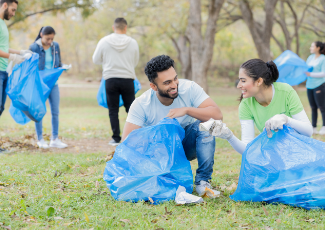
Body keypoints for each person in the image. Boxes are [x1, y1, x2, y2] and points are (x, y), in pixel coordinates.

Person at [121, 55, 223, 196]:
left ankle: (202, 182)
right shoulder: (141, 104)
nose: (174, 85)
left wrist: (187, 110)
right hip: (158, 153)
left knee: (207, 125)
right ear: (153, 86)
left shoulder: (190, 88)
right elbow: (127, 143)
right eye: (167, 82)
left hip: (185, 146)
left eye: (175, 79)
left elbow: (217, 115)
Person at [209, 59, 313, 155]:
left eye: (243, 81)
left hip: (300, 152)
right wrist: (229, 136)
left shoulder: (286, 91)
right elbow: (247, 149)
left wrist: (285, 119)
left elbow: (308, 131)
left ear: (259, 81)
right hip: (276, 156)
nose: (238, 85)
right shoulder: (245, 104)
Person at [93, 17, 139, 146]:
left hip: (111, 79)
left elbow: (96, 59)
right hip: (128, 79)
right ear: (125, 28)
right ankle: (133, 136)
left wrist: (107, 62)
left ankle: (116, 138)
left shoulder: (104, 41)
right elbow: (135, 61)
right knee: (131, 109)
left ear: (114, 28)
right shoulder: (133, 42)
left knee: (113, 110)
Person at [0, 0, 32, 152]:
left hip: (3, 71)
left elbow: (4, 47)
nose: (13, 13)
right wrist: (12, 58)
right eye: (12, 10)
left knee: (0, 108)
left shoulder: (3, 24)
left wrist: (20, 52)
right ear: (4, 5)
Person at [29, 26, 67, 149]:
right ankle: (40, 139)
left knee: (55, 112)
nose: (50, 41)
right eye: (47, 38)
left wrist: (63, 67)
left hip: (53, 84)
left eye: (52, 38)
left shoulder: (55, 46)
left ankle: (54, 139)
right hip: (40, 85)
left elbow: (58, 63)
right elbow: (30, 67)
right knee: (39, 111)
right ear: (41, 34)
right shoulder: (34, 47)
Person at [305, 41, 325, 135]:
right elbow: (305, 69)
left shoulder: (323, 59)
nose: (310, 47)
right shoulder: (310, 57)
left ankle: (324, 127)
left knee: (322, 107)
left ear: (318, 48)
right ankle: (314, 127)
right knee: (313, 107)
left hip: (319, 85)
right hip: (309, 85)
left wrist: (310, 74)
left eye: (312, 46)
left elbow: (323, 73)